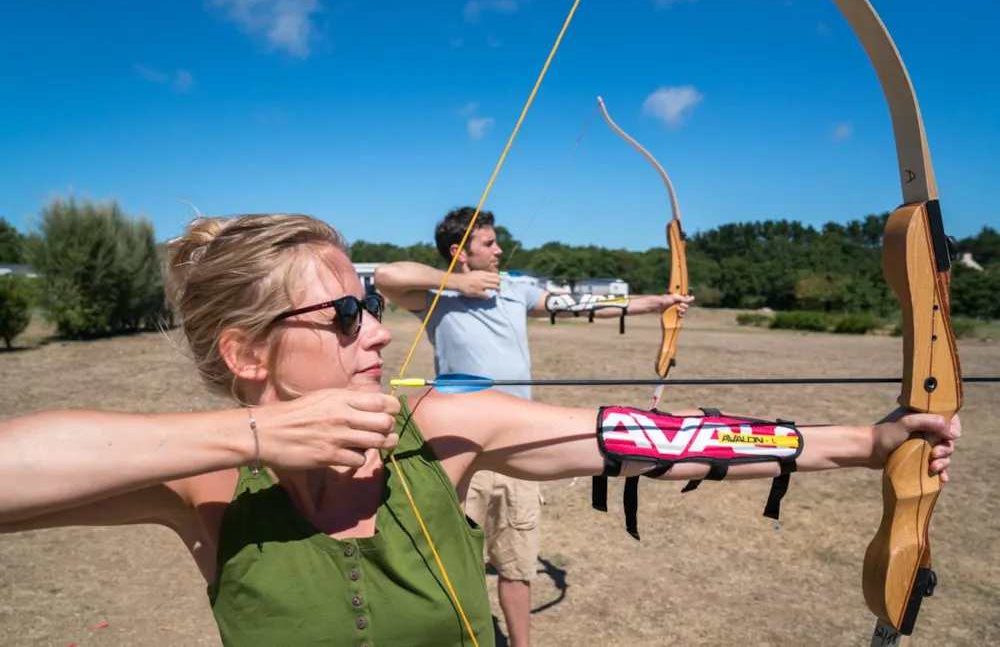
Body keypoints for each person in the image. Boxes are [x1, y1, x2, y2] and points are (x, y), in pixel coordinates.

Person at [0, 213, 959, 647]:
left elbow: (636, 438)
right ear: (248, 353)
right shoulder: (206, 485)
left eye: (372, 307)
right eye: (344, 315)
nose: (379, 331)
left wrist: (857, 444)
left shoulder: (442, 428)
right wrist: (255, 439)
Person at [374, 206, 695, 646]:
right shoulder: (435, 299)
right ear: (459, 252)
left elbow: (582, 305)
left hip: (517, 450)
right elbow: (386, 275)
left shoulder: (516, 291)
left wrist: (655, 303)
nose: (498, 250)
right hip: (458, 450)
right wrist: (459, 283)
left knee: (517, 563)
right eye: (488, 243)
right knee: (447, 559)